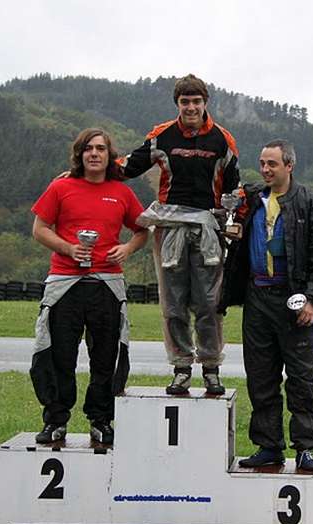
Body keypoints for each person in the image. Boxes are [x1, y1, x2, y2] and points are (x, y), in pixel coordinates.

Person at [219, 139, 313, 471]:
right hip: (257, 296)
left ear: (289, 165)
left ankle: (306, 448)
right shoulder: (250, 201)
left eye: (272, 164)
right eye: (262, 163)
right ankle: (268, 446)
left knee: (301, 378)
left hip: (294, 299)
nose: (265, 169)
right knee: (260, 377)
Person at [119, 74, 240, 396]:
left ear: (205, 103)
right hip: (169, 227)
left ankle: (211, 368)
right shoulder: (162, 135)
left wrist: (236, 218)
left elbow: (234, 187)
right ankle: (181, 368)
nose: (190, 107)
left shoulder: (222, 139)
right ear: (177, 104)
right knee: (173, 304)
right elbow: (128, 166)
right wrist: (84, 170)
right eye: (185, 102)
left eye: (196, 101)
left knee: (209, 303)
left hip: (208, 228)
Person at [29, 128, 148, 445]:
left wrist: (127, 248)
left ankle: (101, 420)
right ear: (79, 155)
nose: (94, 154)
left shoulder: (121, 192)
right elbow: (39, 229)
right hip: (64, 282)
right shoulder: (61, 187)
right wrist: (68, 248)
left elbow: (142, 230)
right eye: (88, 149)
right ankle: (55, 421)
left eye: (100, 149)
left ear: (110, 156)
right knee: (58, 355)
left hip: (107, 284)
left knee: (106, 357)